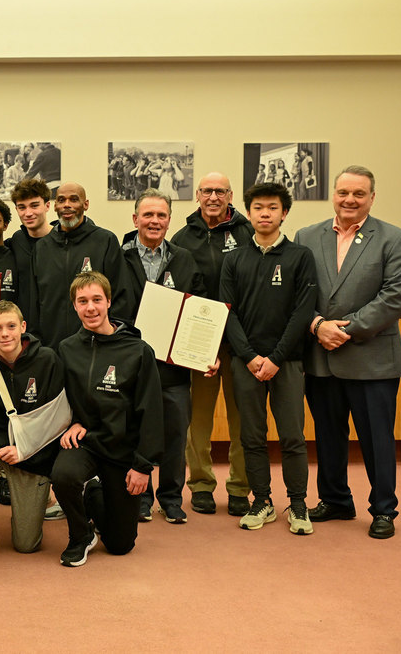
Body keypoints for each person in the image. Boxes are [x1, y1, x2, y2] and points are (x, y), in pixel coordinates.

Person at [295, 165, 401, 540]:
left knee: (376, 440)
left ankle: (383, 510)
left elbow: (396, 296)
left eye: (359, 194)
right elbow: (298, 295)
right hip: (321, 356)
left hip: (371, 359)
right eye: (344, 192)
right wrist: (317, 325)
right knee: (328, 436)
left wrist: (343, 330)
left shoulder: (394, 239)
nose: (350, 200)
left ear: (372, 198)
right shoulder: (307, 236)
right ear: (333, 194)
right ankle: (335, 500)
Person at [219, 183, 317, 534]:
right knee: (252, 436)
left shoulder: (300, 257)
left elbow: (303, 312)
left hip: (287, 363)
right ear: (249, 212)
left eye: (272, 208)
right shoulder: (234, 259)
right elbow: (228, 313)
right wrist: (248, 356)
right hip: (245, 363)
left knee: (292, 436)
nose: (264, 213)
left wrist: (275, 358)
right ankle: (261, 501)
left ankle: (299, 504)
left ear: (284, 213)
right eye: (258, 207)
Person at [49, 272, 163, 567]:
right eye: (82, 301)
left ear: (109, 302)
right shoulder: (67, 348)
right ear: (74, 306)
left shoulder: (138, 351)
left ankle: (95, 491)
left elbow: (151, 412)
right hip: (85, 443)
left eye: (97, 300)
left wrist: (142, 466)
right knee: (62, 475)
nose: (90, 308)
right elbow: (59, 397)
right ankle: (80, 534)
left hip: (122, 451)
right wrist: (71, 420)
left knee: (120, 545)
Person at [120, 189, 210, 524]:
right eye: (148, 215)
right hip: (134, 365)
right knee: (135, 432)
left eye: (161, 215)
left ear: (169, 220)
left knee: (175, 433)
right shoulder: (119, 257)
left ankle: (171, 498)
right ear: (135, 219)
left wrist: (204, 352)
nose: (154, 221)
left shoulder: (184, 259)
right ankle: (139, 497)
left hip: (174, 369)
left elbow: (199, 308)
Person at [171, 172, 254, 517]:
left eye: (221, 191)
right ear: (198, 196)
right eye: (207, 191)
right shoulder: (183, 237)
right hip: (200, 344)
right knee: (199, 422)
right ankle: (202, 485)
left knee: (242, 420)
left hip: (241, 342)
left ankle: (239, 488)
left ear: (230, 196)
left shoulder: (247, 232)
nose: (214, 197)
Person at [0, 300, 63, 565]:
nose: (5, 333)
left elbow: (59, 416)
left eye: (11, 326)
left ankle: (35, 509)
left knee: (26, 545)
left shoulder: (47, 358)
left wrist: (25, 449)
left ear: (23, 327)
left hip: (38, 448)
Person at [32, 181, 130, 350]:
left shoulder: (105, 241)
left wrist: (110, 339)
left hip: (97, 347)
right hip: (52, 348)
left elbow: (121, 296)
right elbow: (34, 302)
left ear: (86, 205)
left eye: (74, 199)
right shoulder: (42, 248)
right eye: (61, 200)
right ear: (55, 206)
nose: (67, 205)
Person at [6, 179, 53, 329]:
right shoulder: (16, 241)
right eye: (22, 207)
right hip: (23, 329)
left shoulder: (62, 242)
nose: (28, 213)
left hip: (55, 327)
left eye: (34, 205)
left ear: (47, 205)